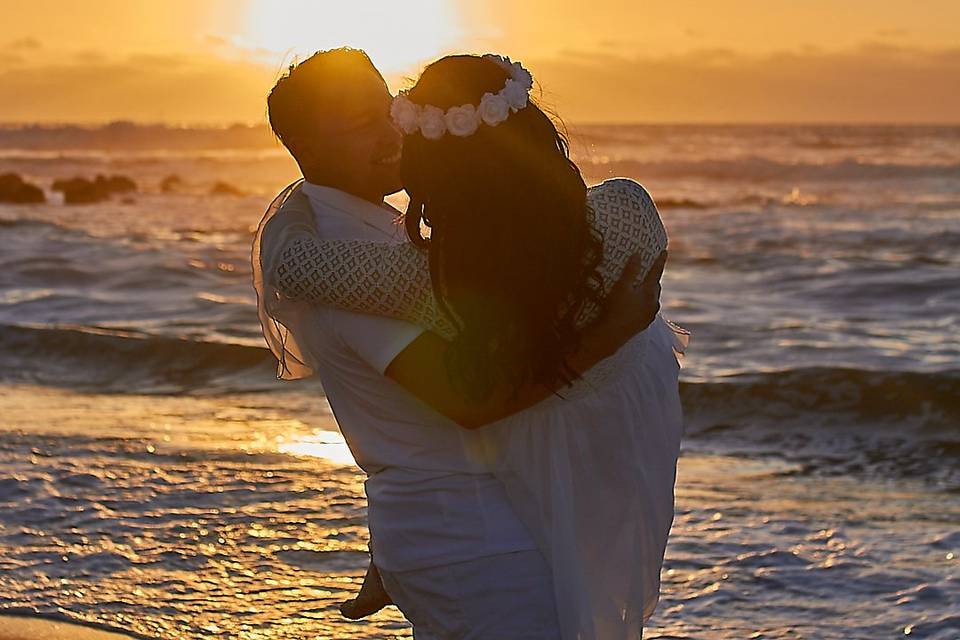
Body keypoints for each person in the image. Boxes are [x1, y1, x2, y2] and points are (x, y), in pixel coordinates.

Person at [253, 48, 667, 639]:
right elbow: (468, 402)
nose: (388, 130)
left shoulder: (365, 234)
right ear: (306, 151)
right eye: (357, 124)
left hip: (464, 530)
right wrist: (610, 334)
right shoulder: (348, 266)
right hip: (469, 542)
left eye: (384, 108)